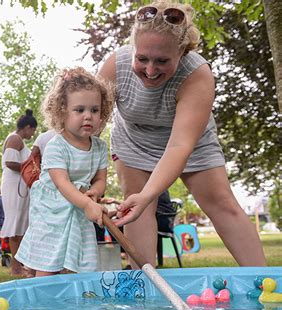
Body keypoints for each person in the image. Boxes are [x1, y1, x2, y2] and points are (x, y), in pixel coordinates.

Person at [98, 1, 266, 268]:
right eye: (142, 59)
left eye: (162, 61)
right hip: (134, 140)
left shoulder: (197, 74)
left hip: (190, 144)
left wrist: (150, 192)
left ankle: (266, 285)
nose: (150, 71)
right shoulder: (114, 66)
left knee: (221, 203)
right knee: (137, 208)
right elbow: (91, 125)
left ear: (182, 52)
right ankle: (143, 289)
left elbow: (179, 145)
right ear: (133, 49)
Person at [15, 67, 114, 277]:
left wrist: (94, 193)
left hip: (79, 209)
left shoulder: (99, 147)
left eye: (94, 110)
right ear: (62, 112)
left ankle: (79, 301)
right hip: (51, 211)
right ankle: (44, 299)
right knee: (49, 258)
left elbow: (100, 179)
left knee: (81, 260)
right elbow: (62, 183)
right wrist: (87, 203)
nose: (88, 116)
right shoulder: (56, 145)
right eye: (79, 110)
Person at [0, 108, 37, 276]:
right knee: (16, 225)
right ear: (27, 127)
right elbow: (10, 162)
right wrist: (32, 169)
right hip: (13, 185)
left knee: (21, 224)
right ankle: (15, 268)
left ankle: (19, 265)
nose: (33, 134)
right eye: (33, 130)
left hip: (19, 185)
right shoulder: (15, 138)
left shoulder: (17, 139)